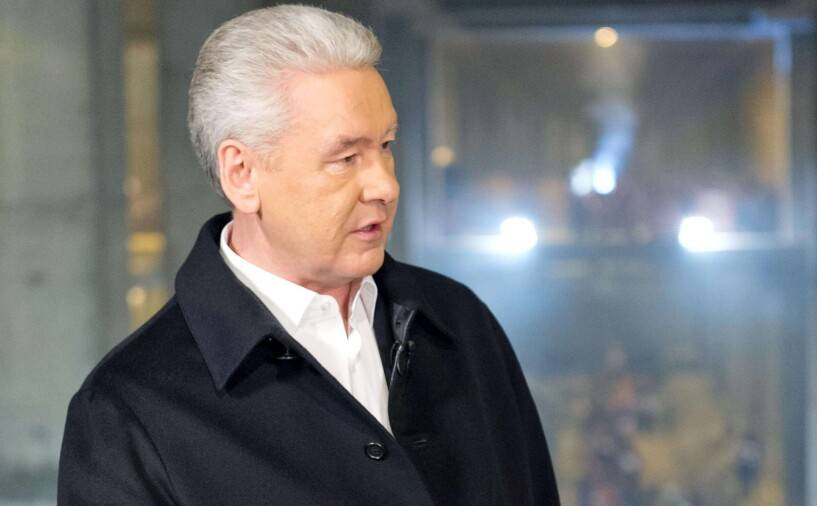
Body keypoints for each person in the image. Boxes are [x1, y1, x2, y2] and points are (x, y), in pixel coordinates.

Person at [58, 5, 559, 505]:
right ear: (242, 174)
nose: (384, 185)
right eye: (346, 158)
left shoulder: (460, 323)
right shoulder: (128, 411)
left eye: (386, 145)